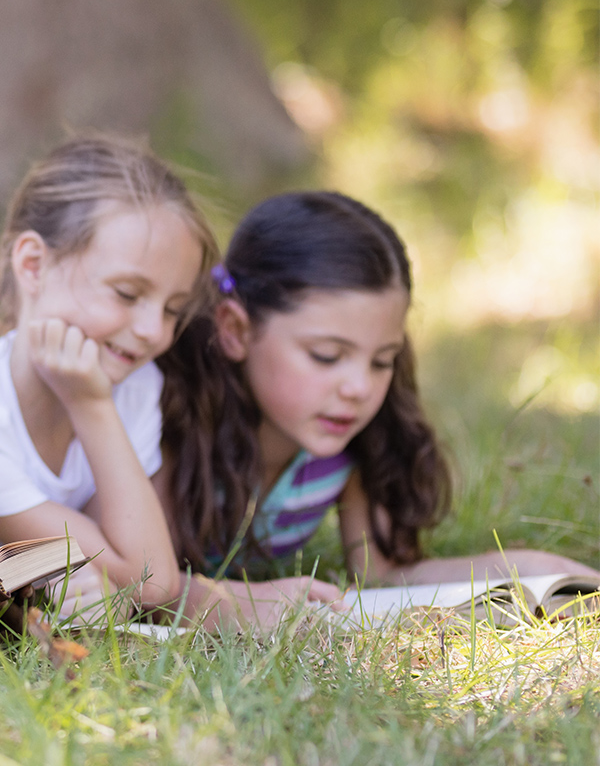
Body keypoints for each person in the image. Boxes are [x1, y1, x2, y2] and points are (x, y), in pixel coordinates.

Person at [0, 136, 342, 628]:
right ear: (33, 264)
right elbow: (150, 583)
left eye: (173, 309)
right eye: (127, 293)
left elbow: (128, 563)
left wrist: (235, 598)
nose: (154, 331)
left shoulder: (134, 385)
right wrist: (91, 407)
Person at [158, 190, 599, 586]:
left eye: (382, 360)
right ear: (236, 329)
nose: (359, 387)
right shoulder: (170, 417)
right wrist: (234, 606)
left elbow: (384, 575)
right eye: (327, 356)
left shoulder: (343, 448)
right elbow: (141, 578)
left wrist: (522, 569)